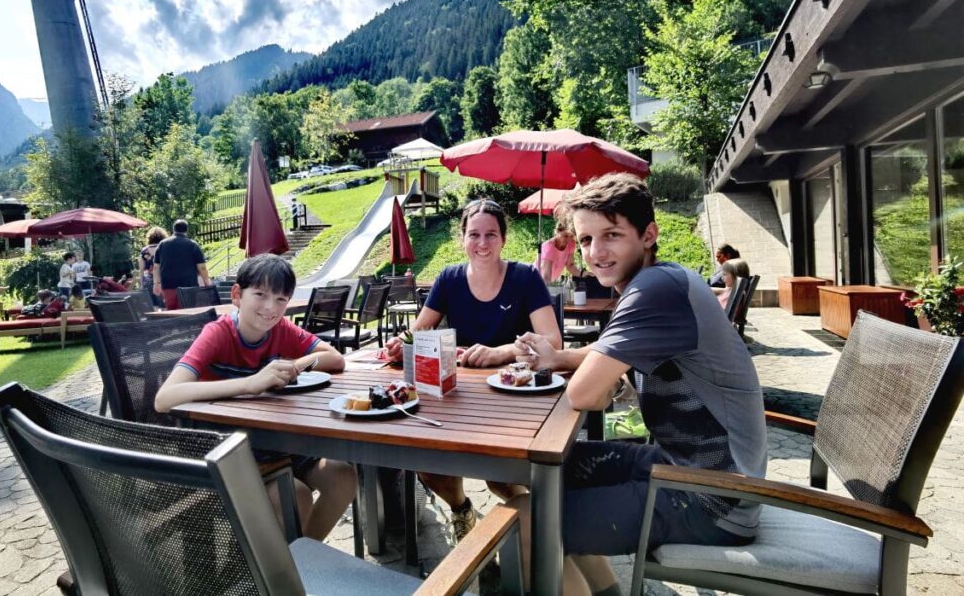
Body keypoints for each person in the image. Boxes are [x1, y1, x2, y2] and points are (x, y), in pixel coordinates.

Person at [511, 174, 766, 594]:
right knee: (546, 471)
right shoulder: (663, 279)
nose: (596, 252)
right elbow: (609, 356)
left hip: (714, 498)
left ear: (648, 235)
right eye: (586, 239)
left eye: (611, 235)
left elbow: (584, 394)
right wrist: (559, 357)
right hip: (685, 467)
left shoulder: (654, 289)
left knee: (526, 523)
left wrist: (584, 371)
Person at [383, 199, 562, 542]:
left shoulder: (525, 277)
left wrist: (502, 352)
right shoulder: (449, 278)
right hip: (458, 398)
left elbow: (553, 341)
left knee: (500, 477)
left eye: (491, 234)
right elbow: (419, 332)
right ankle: (462, 508)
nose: (482, 243)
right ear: (462, 238)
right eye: (474, 234)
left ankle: (538, 521)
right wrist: (399, 343)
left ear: (503, 239)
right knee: (428, 464)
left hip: (515, 399)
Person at [154, 253, 356, 540]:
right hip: (228, 448)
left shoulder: (281, 329)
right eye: (260, 295)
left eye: (280, 300)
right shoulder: (218, 333)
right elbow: (164, 398)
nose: (270, 308)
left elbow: (334, 358)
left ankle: (303, 563)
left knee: (342, 477)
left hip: (274, 441)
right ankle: (283, 574)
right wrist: (251, 383)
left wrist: (294, 366)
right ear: (237, 295)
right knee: (296, 496)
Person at [153, 219, 211, 310]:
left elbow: (156, 267)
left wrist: (156, 283)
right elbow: (202, 267)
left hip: (168, 284)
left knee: (171, 312)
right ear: (186, 230)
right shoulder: (193, 245)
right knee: (187, 312)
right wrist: (207, 282)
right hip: (188, 285)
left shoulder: (162, 244)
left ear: (173, 229)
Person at [138, 226, 168, 307]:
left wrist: (141, 284)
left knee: (152, 306)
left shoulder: (144, 251)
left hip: (147, 280)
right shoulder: (164, 248)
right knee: (163, 305)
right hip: (160, 280)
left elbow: (141, 269)